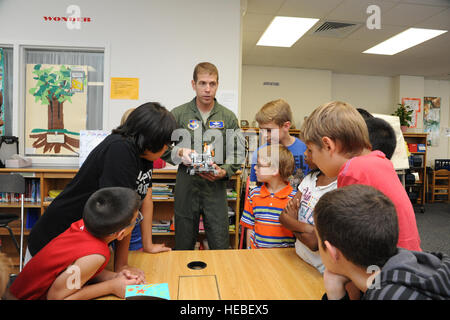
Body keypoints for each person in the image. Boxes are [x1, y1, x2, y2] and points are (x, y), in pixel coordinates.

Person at [27, 102, 176, 276]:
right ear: (151, 141)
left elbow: (141, 200)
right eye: (166, 144)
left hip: (84, 244)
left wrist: (146, 246)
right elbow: (122, 211)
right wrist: (121, 266)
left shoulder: (143, 153)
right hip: (57, 241)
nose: (167, 148)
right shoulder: (120, 150)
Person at [300, 101, 421, 252]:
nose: (308, 155)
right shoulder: (379, 160)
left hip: (388, 263)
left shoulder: (352, 171)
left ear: (328, 145)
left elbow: (346, 237)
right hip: (408, 256)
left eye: (310, 150)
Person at [5, 187, 145, 300]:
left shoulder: (83, 226)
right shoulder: (96, 255)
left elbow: (76, 269)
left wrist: (114, 277)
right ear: (121, 234)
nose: (138, 218)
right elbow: (56, 297)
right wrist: (112, 286)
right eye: (137, 218)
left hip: (13, 291)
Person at [162, 62, 245, 250]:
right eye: (202, 83)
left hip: (215, 187)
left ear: (217, 85)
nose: (208, 89)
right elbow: (161, 146)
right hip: (186, 185)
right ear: (193, 84)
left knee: (220, 241)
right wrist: (179, 152)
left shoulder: (228, 117)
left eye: (212, 84)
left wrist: (224, 171)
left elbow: (238, 151)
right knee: (183, 243)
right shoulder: (178, 114)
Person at [315, 184, 450, 300]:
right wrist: (335, 290)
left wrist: (335, 295)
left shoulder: (389, 295)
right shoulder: (404, 261)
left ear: (332, 252)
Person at [279, 148, 336, 273]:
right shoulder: (309, 179)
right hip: (298, 258)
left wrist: (292, 222)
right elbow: (283, 217)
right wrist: (307, 229)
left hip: (320, 270)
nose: (304, 153)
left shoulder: (337, 188)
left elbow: (314, 243)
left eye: (310, 150)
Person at [240, 144, 296, 249]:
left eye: (259, 165)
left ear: (275, 170)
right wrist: (248, 251)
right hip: (257, 256)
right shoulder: (254, 195)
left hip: (283, 258)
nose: (255, 168)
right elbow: (249, 227)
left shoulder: (294, 198)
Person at [250, 99, 309, 189]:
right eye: (262, 130)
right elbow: (256, 186)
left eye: (269, 130)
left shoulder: (306, 150)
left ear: (286, 126)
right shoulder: (260, 153)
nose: (265, 135)